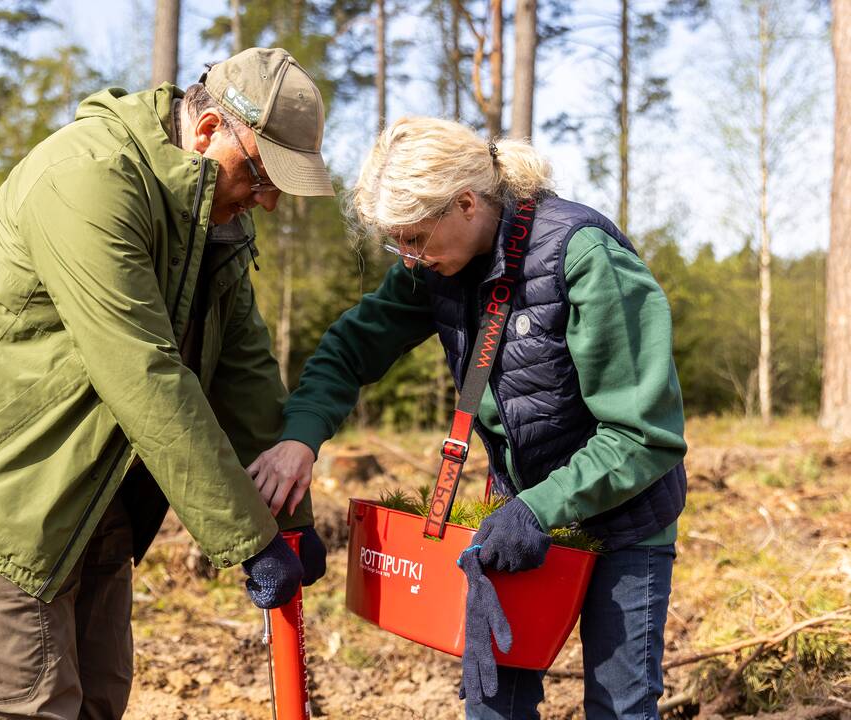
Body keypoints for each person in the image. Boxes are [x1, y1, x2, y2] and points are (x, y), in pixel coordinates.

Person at [0, 47, 332, 718]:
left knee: (99, 698)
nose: (270, 200)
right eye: (261, 175)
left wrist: (290, 521)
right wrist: (250, 541)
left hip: (91, 481)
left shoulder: (214, 217)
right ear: (206, 133)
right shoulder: (90, 180)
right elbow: (143, 373)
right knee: (26, 706)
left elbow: (245, 369)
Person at [248, 117, 688, 719]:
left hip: (625, 520)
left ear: (466, 202)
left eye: (417, 238)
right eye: (397, 242)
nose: (408, 256)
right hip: (515, 518)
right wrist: (301, 437)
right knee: (493, 708)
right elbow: (350, 349)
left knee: (619, 707)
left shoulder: (582, 255)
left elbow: (643, 436)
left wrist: (538, 508)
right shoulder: (433, 265)